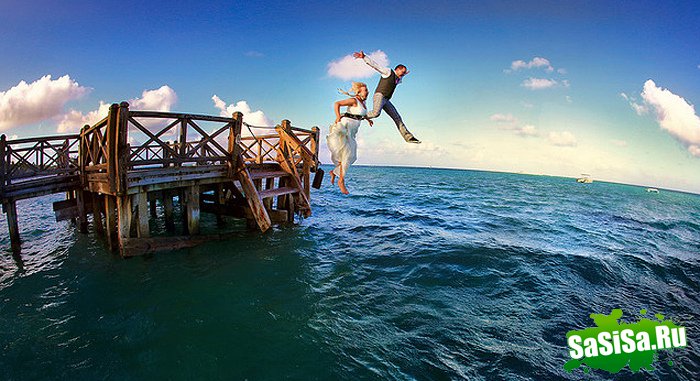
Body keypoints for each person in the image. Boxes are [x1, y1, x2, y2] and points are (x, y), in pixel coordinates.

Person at [352, 50, 421, 144]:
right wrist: (364, 57)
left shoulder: (398, 79)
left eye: (404, 73)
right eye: (402, 72)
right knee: (376, 113)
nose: (403, 74)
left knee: (397, 117)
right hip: (379, 95)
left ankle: (408, 137)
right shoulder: (388, 72)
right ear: (397, 69)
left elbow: (399, 78)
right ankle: (356, 116)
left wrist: (403, 76)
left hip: (386, 100)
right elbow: (376, 66)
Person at [327, 82, 373, 194]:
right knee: (347, 155)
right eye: (365, 90)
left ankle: (334, 172)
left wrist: (367, 119)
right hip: (345, 128)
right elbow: (337, 103)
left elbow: (361, 113)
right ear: (359, 92)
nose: (367, 91)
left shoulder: (363, 102)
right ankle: (341, 181)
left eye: (367, 90)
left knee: (350, 156)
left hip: (352, 132)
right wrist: (338, 116)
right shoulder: (354, 100)